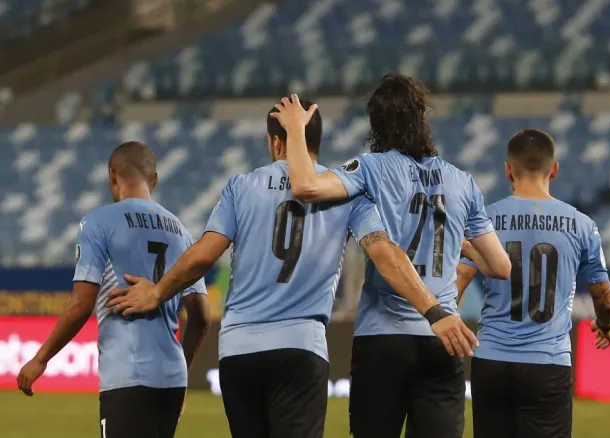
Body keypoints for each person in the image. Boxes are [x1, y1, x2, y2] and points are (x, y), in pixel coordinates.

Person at [105, 99, 469, 438]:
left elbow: (203, 256)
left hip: (239, 351)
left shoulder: (241, 187)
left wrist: (156, 292)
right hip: (301, 349)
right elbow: (384, 253)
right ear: (317, 141)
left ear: (274, 142)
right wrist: (433, 310)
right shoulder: (348, 193)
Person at [268, 76, 512, 438]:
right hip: (442, 340)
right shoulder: (463, 181)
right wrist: (455, 241)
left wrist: (295, 129)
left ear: (376, 123)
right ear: (421, 118)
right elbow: (500, 267)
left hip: (383, 340)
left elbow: (306, 186)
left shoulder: (372, 168)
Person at [16, 141, 211, 438]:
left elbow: (81, 305)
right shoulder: (182, 232)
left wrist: (40, 358)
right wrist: (182, 370)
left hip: (127, 376)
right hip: (171, 380)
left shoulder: (97, 223)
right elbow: (201, 316)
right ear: (154, 180)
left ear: (112, 176)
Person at [455, 129, 610, 438]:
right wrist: (605, 323)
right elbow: (605, 297)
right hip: (548, 363)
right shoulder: (582, 225)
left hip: (491, 360)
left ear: (508, 170)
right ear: (554, 170)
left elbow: (457, 283)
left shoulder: (485, 221)